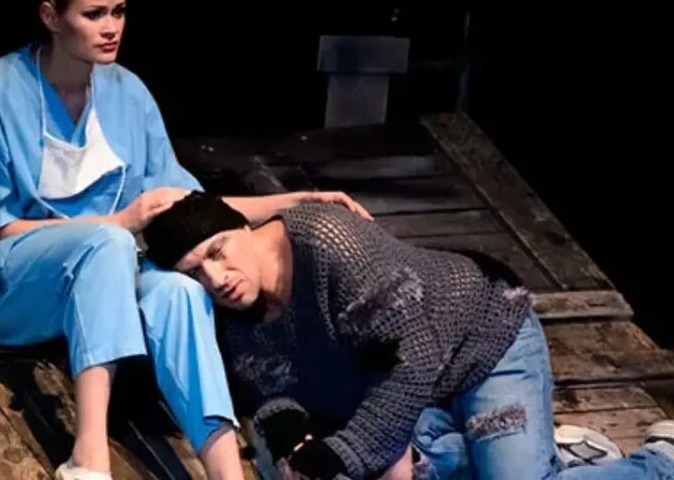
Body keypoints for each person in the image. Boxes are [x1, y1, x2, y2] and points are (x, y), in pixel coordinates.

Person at [0, 0, 373, 480]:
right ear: (51, 17)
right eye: (93, 14)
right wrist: (117, 223)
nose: (110, 27)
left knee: (179, 292)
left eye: (118, 12)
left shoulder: (127, 93)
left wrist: (297, 200)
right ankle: (89, 454)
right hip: (1, 282)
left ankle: (225, 472)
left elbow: (190, 205)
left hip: (109, 278)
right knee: (108, 244)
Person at [139, 191, 674, 480]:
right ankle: (545, 451)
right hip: (407, 390)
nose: (216, 278)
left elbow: (408, 363)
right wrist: (291, 440)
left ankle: (659, 461)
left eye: (217, 252)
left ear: (242, 227)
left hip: (484, 340)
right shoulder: (230, 308)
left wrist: (339, 456)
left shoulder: (329, 242)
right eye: (194, 273)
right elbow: (268, 389)